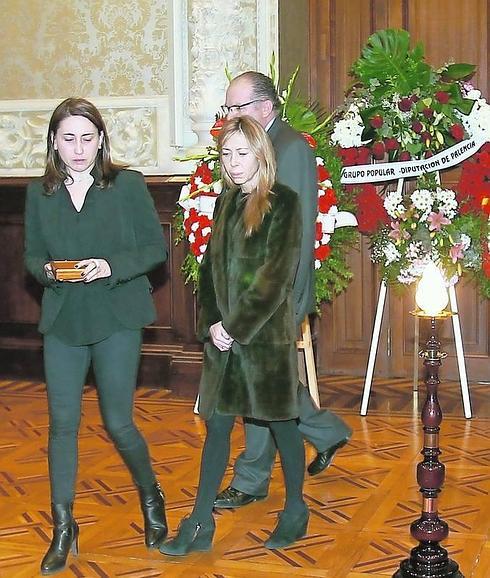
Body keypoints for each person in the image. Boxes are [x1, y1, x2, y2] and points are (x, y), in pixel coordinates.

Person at [24, 98, 168, 575]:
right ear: (53, 142)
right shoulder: (39, 192)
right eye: (68, 138)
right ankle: (63, 526)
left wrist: (110, 266)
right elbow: (31, 255)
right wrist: (47, 271)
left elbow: (154, 248)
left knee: (118, 422)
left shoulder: (126, 185)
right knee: (61, 425)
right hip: (64, 318)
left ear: (101, 139)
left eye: (87, 138)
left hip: (116, 315)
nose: (78, 148)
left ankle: (151, 494)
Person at [159, 116, 307, 555]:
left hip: (264, 341)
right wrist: (211, 325)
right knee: (218, 427)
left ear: (262, 154)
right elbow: (207, 271)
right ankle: (200, 521)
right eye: (227, 154)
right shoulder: (226, 201)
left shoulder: (285, 202)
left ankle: (296, 508)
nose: (234, 162)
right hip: (223, 342)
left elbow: (275, 278)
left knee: (282, 425)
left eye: (243, 153)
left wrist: (235, 326)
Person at [214, 71, 352, 510]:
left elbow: (292, 235)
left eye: (237, 108)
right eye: (228, 108)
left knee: (259, 383)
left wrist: (283, 299)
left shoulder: (290, 149)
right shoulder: (255, 147)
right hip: (254, 291)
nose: (229, 117)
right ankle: (327, 432)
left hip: (277, 292)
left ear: (265, 108)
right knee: (266, 380)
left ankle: (251, 480)